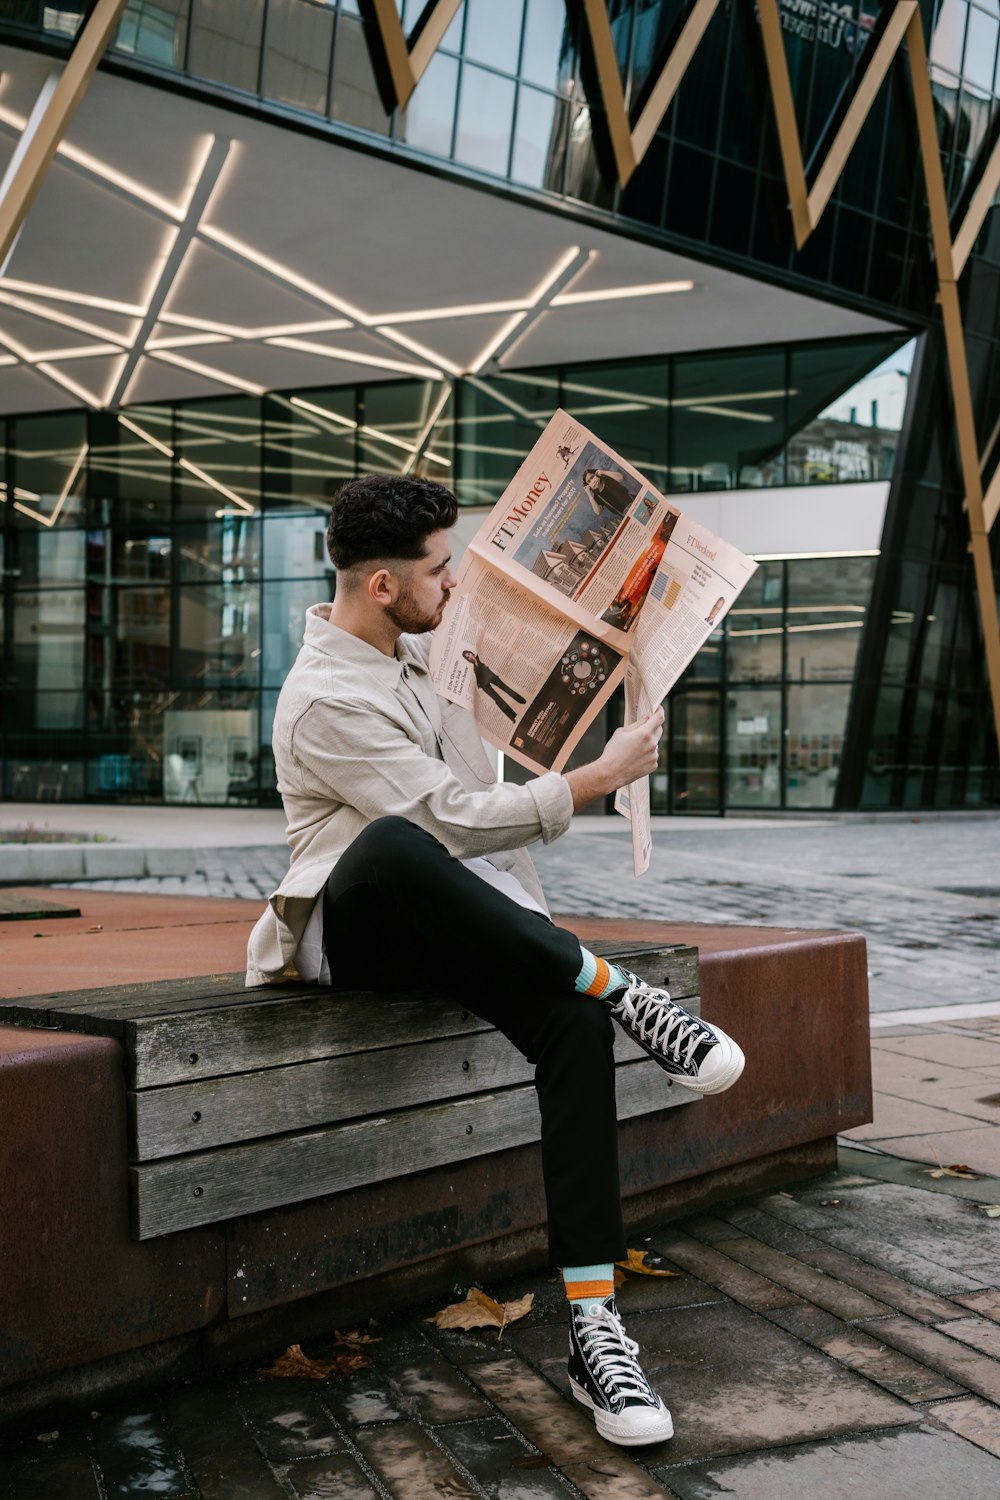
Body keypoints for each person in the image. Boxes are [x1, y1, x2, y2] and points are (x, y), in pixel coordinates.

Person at [247, 473, 745, 1448]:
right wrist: (590, 780)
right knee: (391, 840)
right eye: (439, 570)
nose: (451, 585)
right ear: (383, 585)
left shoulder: (415, 654)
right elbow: (445, 822)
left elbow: (479, 810)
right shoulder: (324, 698)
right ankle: (621, 989)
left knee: (567, 1024)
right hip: (353, 928)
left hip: (445, 916)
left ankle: (595, 1330)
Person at [462, 648, 527, 722]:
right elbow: (476, 675)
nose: (469, 657)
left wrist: (485, 666)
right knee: (497, 699)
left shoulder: (478, 656)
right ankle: (512, 717)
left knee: (506, 688)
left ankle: (521, 700)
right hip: (484, 685)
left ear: (471, 653)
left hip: (492, 677)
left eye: (469, 654)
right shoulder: (474, 666)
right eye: (467, 657)